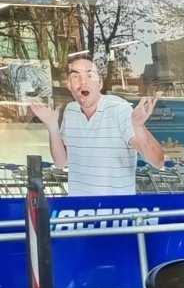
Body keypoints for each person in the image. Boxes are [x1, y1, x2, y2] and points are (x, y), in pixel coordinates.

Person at [28, 53, 164, 196]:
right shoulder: (70, 111)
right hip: (79, 211)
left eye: (89, 75)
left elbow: (158, 161)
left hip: (117, 213)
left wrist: (138, 126)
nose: (83, 82)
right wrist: (52, 126)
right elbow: (61, 162)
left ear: (99, 83)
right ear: (68, 84)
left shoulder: (119, 108)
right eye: (75, 76)